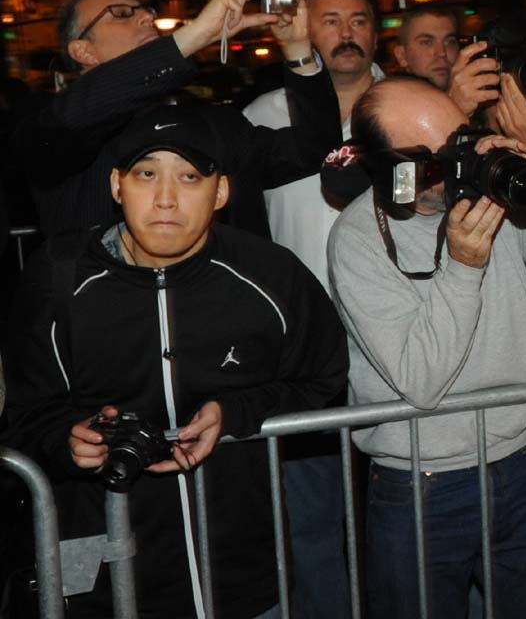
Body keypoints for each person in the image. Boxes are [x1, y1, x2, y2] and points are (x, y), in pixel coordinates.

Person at [0, 104, 348, 619]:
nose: (166, 199)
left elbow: (324, 380)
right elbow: (26, 415)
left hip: (241, 570)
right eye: (146, 174)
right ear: (117, 186)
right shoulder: (58, 281)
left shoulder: (271, 275)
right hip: (104, 572)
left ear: (222, 192)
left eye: (189, 177)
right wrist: (69, 439)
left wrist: (236, 412)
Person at [327, 76, 526, 619]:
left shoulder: (490, 202)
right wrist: (464, 268)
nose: (459, 165)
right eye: (437, 158)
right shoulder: (358, 238)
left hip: (525, 461)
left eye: (461, 141)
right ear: (388, 168)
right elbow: (421, 380)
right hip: (421, 482)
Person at [242, 0, 385, 619]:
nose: (346, 34)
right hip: (303, 350)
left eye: (358, 20)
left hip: (395, 339)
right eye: (330, 21)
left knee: (402, 508)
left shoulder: (418, 106)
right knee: (314, 519)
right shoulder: (263, 117)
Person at [9, 0, 340, 240]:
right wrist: (195, 34)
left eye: (146, 11)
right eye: (122, 13)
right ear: (83, 52)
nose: (144, 18)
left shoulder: (208, 119)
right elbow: (79, 113)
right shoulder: (50, 120)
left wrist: (297, 48)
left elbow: (315, 150)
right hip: (107, 318)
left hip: (224, 314)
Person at [393, 2, 462, 89]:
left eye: (450, 42)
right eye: (427, 42)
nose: (442, 53)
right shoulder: (387, 99)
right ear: (402, 55)